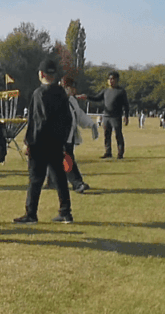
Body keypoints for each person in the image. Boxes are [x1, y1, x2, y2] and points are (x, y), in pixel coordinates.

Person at [14, 59, 74, 225]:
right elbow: (68, 119)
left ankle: (31, 213)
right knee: (59, 178)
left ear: (41, 74)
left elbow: (37, 121)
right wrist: (62, 140)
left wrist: (29, 142)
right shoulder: (61, 93)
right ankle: (65, 212)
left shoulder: (39, 93)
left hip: (40, 143)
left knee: (35, 179)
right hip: (56, 142)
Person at [46, 76, 99, 195]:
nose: (74, 90)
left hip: (69, 136)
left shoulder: (72, 100)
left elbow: (79, 114)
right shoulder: (56, 99)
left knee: (57, 160)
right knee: (68, 160)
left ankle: (52, 182)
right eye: (72, 88)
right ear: (66, 87)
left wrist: (91, 125)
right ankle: (77, 183)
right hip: (59, 136)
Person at [78, 70, 130, 159]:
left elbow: (126, 105)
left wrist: (126, 116)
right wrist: (87, 97)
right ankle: (108, 152)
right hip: (106, 116)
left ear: (117, 80)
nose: (111, 81)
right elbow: (97, 98)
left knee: (118, 135)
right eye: (109, 79)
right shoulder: (105, 91)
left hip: (116, 117)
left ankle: (120, 153)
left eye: (113, 79)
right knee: (107, 135)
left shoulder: (121, 91)